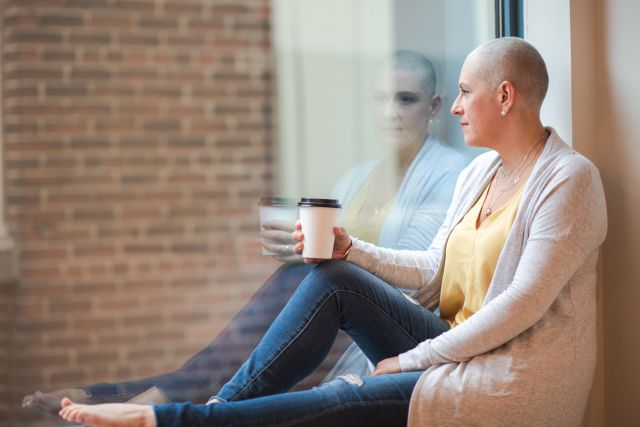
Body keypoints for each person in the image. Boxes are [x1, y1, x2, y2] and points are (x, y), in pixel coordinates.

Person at [58, 36, 607, 427]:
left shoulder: (568, 180)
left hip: (503, 376)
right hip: (448, 347)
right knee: (333, 275)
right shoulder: (479, 173)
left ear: (505, 97)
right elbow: (435, 270)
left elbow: (518, 308)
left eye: (466, 92)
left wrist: (411, 361)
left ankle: (171, 419)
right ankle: (212, 411)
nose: (458, 107)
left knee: (346, 398)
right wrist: (351, 248)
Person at [23, 51, 467, 416]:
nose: (390, 112)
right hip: (328, 313)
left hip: (380, 324)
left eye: (405, 100)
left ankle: (142, 398)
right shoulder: (357, 179)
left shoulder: (450, 174)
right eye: (380, 98)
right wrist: (295, 247)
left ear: (433, 107)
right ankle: (138, 394)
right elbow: (334, 254)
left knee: (299, 286)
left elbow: (414, 275)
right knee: (289, 284)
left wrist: (326, 258)